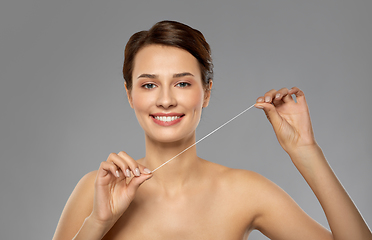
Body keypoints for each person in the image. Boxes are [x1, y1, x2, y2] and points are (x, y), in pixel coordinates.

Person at [53, 20, 371, 240]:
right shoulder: (96, 191)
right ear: (129, 95)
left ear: (205, 93)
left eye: (182, 83)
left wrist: (307, 153)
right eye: (149, 84)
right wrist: (98, 222)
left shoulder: (244, 192)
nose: (165, 100)